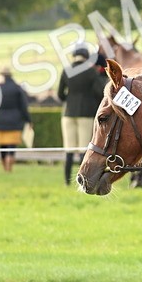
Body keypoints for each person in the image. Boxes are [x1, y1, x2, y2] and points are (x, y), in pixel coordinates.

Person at [58, 46, 107, 185]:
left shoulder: (67, 70)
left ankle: (66, 181)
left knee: (69, 149)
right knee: (83, 149)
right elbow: (100, 91)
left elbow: (60, 94)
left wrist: (69, 100)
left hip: (68, 113)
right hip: (86, 113)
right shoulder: (91, 71)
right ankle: (82, 180)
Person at [0, 69, 30, 173]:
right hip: (14, 121)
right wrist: (28, 120)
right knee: (11, 146)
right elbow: (23, 106)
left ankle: (4, 167)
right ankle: (10, 167)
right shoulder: (17, 88)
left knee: (2, 146)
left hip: (0, 121)